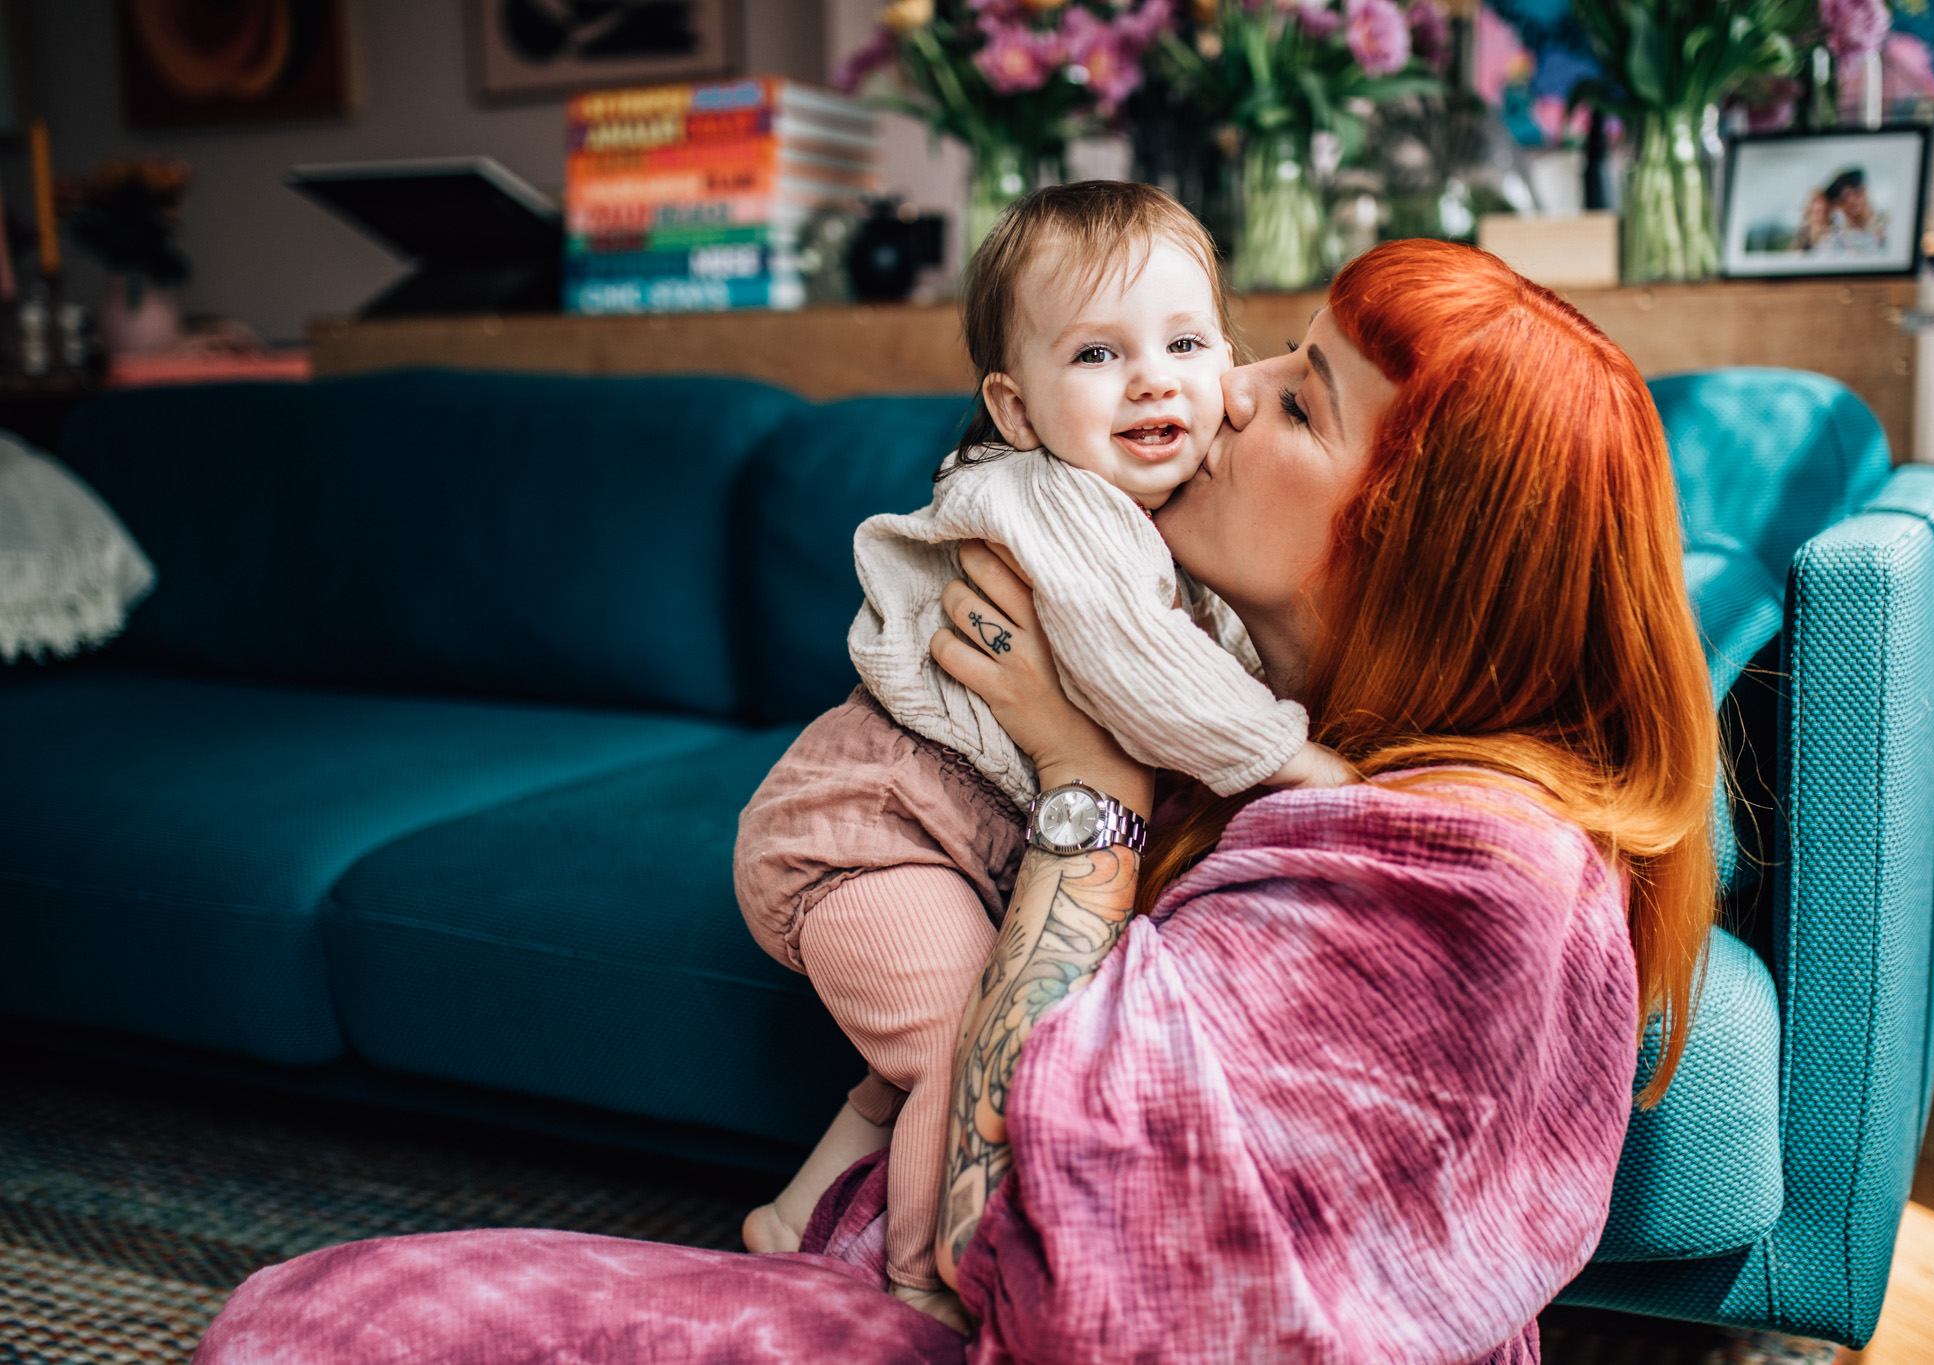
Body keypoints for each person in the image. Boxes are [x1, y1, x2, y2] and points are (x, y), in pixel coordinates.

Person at [191, 238, 1720, 1364]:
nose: (1221, 392)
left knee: (318, 1331)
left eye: (1301, 400)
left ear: (1422, 552)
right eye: (1267, 352)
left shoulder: (1469, 865)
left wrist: (1085, 774)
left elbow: (1053, 1235)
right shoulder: (1268, 690)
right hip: (909, 1210)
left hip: (981, 1312)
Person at [732, 180, 1345, 1328]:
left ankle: (794, 1212)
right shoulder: (1053, 505)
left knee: (918, 1038)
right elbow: (1139, 674)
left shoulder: (1153, 515)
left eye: (1184, 342)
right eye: (1098, 356)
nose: (1154, 379)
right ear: (1014, 411)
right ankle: (924, 1291)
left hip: (964, 846)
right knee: (969, 1041)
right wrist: (1291, 760)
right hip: (866, 839)